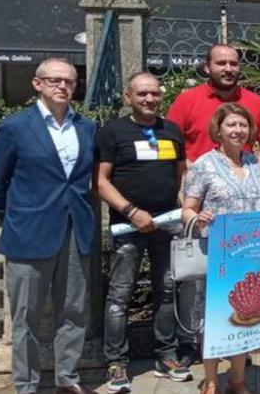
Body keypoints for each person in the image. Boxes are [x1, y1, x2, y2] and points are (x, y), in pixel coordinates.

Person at [0, 58, 97, 394]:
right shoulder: (16, 127)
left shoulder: (86, 128)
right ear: (37, 84)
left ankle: (67, 378)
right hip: (28, 234)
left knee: (74, 311)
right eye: (55, 81)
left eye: (70, 81)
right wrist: (18, 217)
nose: (63, 86)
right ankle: (27, 384)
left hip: (75, 230)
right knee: (26, 319)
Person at [180, 103, 260, 394]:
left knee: (244, 314)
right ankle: (210, 380)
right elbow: (187, 207)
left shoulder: (251, 162)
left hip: (252, 253)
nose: (238, 130)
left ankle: (237, 379)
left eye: (243, 125)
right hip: (218, 254)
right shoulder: (204, 165)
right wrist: (197, 218)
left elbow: (256, 203)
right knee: (214, 315)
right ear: (218, 130)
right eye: (231, 125)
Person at [97, 72, 194, 392]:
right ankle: (117, 362)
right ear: (128, 97)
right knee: (120, 295)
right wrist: (131, 212)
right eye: (142, 94)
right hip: (129, 225)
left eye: (154, 93)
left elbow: (181, 176)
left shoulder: (172, 130)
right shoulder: (113, 131)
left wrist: (183, 210)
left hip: (167, 224)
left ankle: (165, 355)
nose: (150, 99)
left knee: (167, 289)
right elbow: (100, 181)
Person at [167, 44, 260, 167]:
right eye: (221, 63)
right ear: (207, 68)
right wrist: (195, 172)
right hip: (197, 181)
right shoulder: (186, 100)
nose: (228, 69)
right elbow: (170, 142)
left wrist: (250, 172)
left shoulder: (256, 102)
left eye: (233, 64)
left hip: (240, 182)